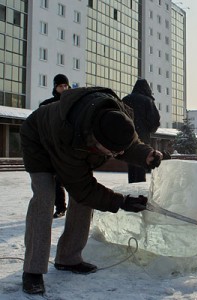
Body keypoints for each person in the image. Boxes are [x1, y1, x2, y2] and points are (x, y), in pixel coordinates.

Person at [20, 87, 164, 295]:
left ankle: (68, 258)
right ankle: (32, 270)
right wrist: (121, 202)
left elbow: (129, 145)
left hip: (75, 146)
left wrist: (147, 155)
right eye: (113, 152)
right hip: (39, 141)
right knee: (45, 196)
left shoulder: (118, 120)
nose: (118, 155)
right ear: (95, 140)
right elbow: (83, 187)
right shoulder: (69, 132)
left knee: (83, 201)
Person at [39, 74, 71, 218]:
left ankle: (81, 210)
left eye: (66, 85)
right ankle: (60, 208)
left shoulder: (73, 104)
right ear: (55, 87)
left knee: (74, 180)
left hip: (70, 148)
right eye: (60, 86)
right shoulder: (47, 105)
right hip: (53, 148)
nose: (63, 88)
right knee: (56, 181)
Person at [122, 79, 161, 183]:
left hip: (127, 137)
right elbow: (154, 121)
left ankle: (132, 188)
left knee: (131, 163)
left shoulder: (125, 100)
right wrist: (149, 130)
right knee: (141, 162)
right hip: (142, 137)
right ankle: (139, 192)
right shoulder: (147, 101)